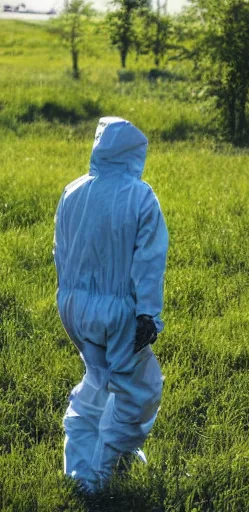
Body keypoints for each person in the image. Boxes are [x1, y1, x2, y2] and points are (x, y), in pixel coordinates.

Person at [53, 117, 169, 492]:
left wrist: (71, 300)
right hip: (119, 312)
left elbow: (61, 252)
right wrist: (147, 313)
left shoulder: (72, 191)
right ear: (134, 154)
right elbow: (149, 260)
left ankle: (80, 467)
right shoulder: (140, 195)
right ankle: (103, 469)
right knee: (140, 390)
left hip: (73, 307)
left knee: (98, 379)